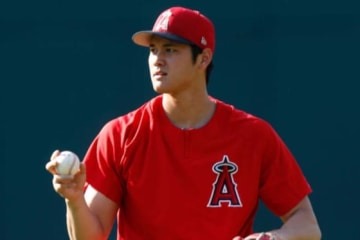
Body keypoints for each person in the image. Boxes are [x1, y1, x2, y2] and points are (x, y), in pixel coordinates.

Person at [45, 6, 321, 240]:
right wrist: (74, 200)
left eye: (170, 49)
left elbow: (307, 225)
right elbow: (91, 236)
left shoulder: (252, 135)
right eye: (153, 49)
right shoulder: (122, 134)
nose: (157, 60)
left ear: (203, 59)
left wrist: (271, 238)